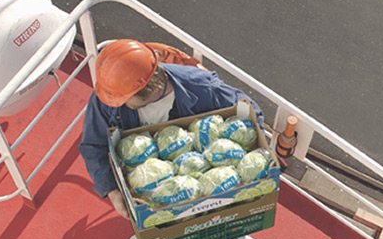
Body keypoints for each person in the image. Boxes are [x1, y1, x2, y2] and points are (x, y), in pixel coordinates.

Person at [79, 39, 262, 219]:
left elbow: (248, 110)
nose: (116, 103)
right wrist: (111, 190)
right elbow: (93, 145)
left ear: (147, 88)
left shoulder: (200, 87)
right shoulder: (110, 95)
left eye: (122, 99)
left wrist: (256, 155)